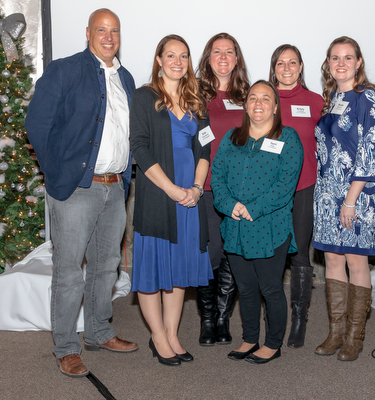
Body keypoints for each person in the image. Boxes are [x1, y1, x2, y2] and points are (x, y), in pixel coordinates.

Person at [25, 9, 139, 377]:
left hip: (115, 187)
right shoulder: (65, 70)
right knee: (70, 271)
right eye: (101, 30)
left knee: (106, 267)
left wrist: (128, 171)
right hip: (76, 189)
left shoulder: (126, 78)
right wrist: (56, 172)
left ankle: (99, 331)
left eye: (114, 31)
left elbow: (128, 132)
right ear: (88, 32)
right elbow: (37, 123)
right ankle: (66, 347)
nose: (108, 37)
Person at [129, 35, 213, 367]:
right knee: (153, 271)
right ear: (159, 60)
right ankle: (158, 337)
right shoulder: (144, 96)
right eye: (170, 55)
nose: (177, 61)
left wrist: (195, 187)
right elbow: (140, 147)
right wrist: (172, 190)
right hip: (159, 195)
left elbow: (204, 149)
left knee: (178, 271)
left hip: (189, 198)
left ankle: (172, 333)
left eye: (183, 56)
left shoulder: (196, 100)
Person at [211, 80, 303, 364]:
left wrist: (253, 208)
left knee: (270, 288)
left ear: (275, 106)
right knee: (245, 288)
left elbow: (285, 186)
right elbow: (218, 178)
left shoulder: (289, 138)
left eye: (266, 98)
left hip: (270, 227)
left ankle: (273, 343)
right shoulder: (231, 138)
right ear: (246, 104)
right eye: (253, 98)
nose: (259, 103)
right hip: (235, 225)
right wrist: (230, 206)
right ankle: (250, 338)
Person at [313, 37, 375, 362]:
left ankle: (355, 337)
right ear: (328, 63)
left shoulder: (366, 97)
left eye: (348, 57)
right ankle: (335, 332)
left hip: (357, 195)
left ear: (358, 62)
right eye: (335, 58)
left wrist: (351, 199)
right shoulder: (331, 100)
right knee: (332, 260)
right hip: (327, 195)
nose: (341, 63)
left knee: (356, 261)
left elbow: (370, 152)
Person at [195, 33, 250, 346]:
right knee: (209, 251)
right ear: (208, 57)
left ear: (237, 59)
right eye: (218, 51)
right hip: (205, 186)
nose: (224, 57)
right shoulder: (194, 93)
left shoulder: (247, 95)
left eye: (230, 51)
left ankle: (221, 318)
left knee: (233, 252)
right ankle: (206, 320)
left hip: (239, 187)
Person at [268, 44, 324, 349]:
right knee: (271, 254)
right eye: (280, 63)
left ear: (301, 66)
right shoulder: (263, 98)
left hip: (304, 187)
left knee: (300, 255)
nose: (286, 67)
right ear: (274, 67)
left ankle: (300, 319)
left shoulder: (316, 102)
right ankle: (273, 317)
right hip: (269, 191)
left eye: (292, 62)